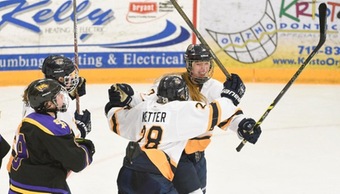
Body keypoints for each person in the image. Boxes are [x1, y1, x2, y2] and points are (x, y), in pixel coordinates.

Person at [109, 44, 261, 193]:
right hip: (176, 156)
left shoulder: (215, 88)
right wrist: (128, 98)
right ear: (189, 65)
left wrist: (243, 125)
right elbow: (149, 102)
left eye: (206, 64)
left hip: (198, 158)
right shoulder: (174, 84)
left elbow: (229, 115)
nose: (203, 69)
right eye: (198, 64)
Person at [7, 55, 92, 173]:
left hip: (22, 163)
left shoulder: (35, 91)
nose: (73, 79)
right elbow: (67, 141)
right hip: (39, 169)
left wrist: (70, 94)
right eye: (69, 77)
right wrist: (82, 129)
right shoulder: (54, 111)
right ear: (60, 79)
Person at [8, 78, 95, 193]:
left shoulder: (27, 121)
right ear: (48, 104)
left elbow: (43, 150)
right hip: (44, 189)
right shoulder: (54, 127)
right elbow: (77, 162)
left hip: (16, 186)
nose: (62, 97)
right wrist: (87, 148)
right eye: (58, 96)